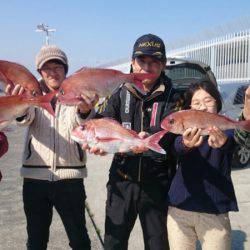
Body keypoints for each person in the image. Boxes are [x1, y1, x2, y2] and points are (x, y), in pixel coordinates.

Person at [85, 34, 178, 250]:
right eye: (142, 61)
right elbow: (102, 122)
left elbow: (174, 133)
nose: (148, 67)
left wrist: (148, 138)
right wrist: (98, 142)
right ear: (132, 62)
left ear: (163, 65)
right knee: (114, 242)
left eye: (155, 62)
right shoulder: (119, 92)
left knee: (158, 244)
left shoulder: (174, 96)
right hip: (122, 179)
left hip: (157, 183)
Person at [5, 45, 97, 250]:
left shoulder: (77, 92)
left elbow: (83, 123)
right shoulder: (30, 91)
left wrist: (85, 110)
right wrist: (18, 104)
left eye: (58, 67)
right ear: (39, 72)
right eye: (47, 68)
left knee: (80, 240)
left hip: (70, 179)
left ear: (65, 69)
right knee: (36, 241)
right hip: (35, 179)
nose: (53, 72)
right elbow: (24, 120)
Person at [167, 80, 238, 250]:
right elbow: (175, 146)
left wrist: (224, 143)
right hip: (180, 209)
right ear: (190, 108)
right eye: (197, 103)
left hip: (214, 213)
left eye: (208, 101)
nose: (203, 107)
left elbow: (235, 143)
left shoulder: (226, 128)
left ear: (217, 103)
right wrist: (185, 144)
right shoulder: (185, 130)